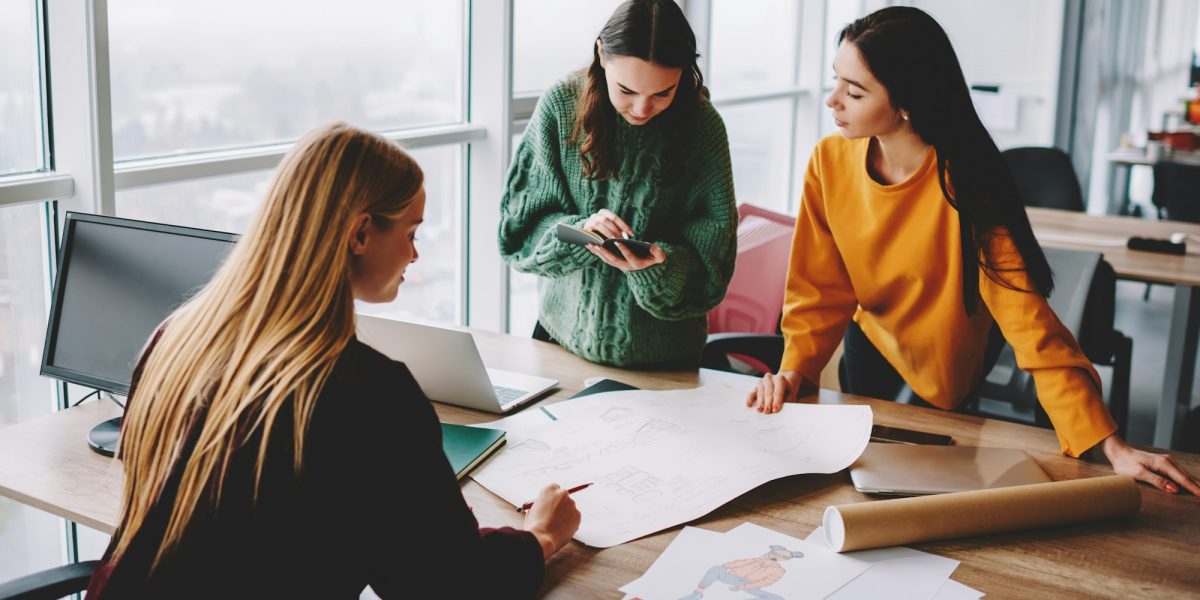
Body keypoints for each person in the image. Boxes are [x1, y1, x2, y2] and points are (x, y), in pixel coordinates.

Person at [86, 123, 581, 598]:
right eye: (411, 232)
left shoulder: (177, 336)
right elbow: (448, 585)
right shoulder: (367, 393)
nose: (415, 255)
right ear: (361, 233)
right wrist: (540, 537)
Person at [747, 7, 1200, 495]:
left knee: (927, 488)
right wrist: (796, 368)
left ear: (907, 104)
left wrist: (1113, 446)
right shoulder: (828, 161)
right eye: (836, 81)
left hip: (950, 359)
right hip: (872, 343)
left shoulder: (968, 184)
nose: (833, 101)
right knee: (863, 486)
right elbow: (819, 289)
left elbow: (1030, 324)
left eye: (854, 92)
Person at [499, 0, 738, 369]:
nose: (642, 108)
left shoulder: (703, 129)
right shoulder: (561, 107)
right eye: (626, 90)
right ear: (601, 54)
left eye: (663, 93)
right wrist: (580, 233)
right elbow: (518, 231)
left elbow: (713, 266)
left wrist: (661, 266)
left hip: (665, 364)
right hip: (559, 348)